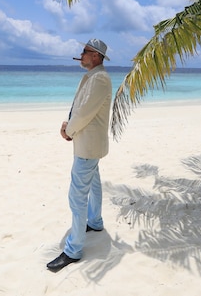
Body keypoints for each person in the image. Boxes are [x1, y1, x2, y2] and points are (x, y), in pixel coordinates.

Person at [46, 38, 112, 273]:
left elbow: (84, 112)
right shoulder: (96, 77)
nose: (80, 55)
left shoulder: (99, 79)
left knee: (77, 195)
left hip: (87, 145)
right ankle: (95, 222)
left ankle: (73, 250)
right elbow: (82, 107)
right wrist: (69, 124)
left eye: (84, 52)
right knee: (93, 185)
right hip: (90, 145)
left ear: (95, 55)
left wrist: (68, 130)